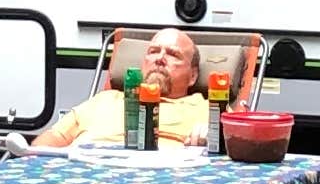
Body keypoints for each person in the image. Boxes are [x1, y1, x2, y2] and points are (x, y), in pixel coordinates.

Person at [31, 28, 220, 153]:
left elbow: (233, 143)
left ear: (193, 76)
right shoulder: (104, 100)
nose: (159, 59)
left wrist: (214, 136)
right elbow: (47, 142)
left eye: (173, 54)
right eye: (153, 51)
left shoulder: (207, 109)